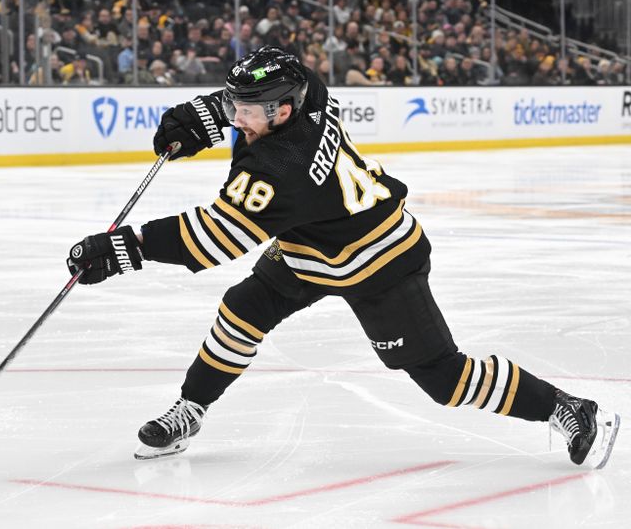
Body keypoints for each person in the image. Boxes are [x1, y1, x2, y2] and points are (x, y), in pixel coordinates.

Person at [66, 46, 620, 467]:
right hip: (309, 246)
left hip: (379, 260)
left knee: (442, 379)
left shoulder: (277, 170)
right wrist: (203, 117)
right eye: (234, 107)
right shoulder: (309, 90)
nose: (237, 117)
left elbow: (212, 239)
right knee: (242, 309)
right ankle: (191, 409)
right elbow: (260, 91)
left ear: (283, 114)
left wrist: (124, 248)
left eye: (246, 112)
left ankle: (567, 408)